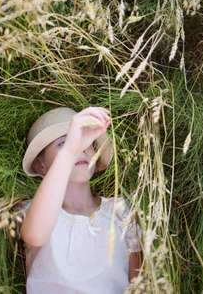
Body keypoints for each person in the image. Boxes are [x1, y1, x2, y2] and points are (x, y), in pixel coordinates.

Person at [15, 106, 142, 293]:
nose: (80, 148)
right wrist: (70, 151)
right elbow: (34, 235)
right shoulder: (33, 210)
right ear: (41, 165)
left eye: (86, 142)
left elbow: (139, 283)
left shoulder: (120, 210)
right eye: (63, 143)